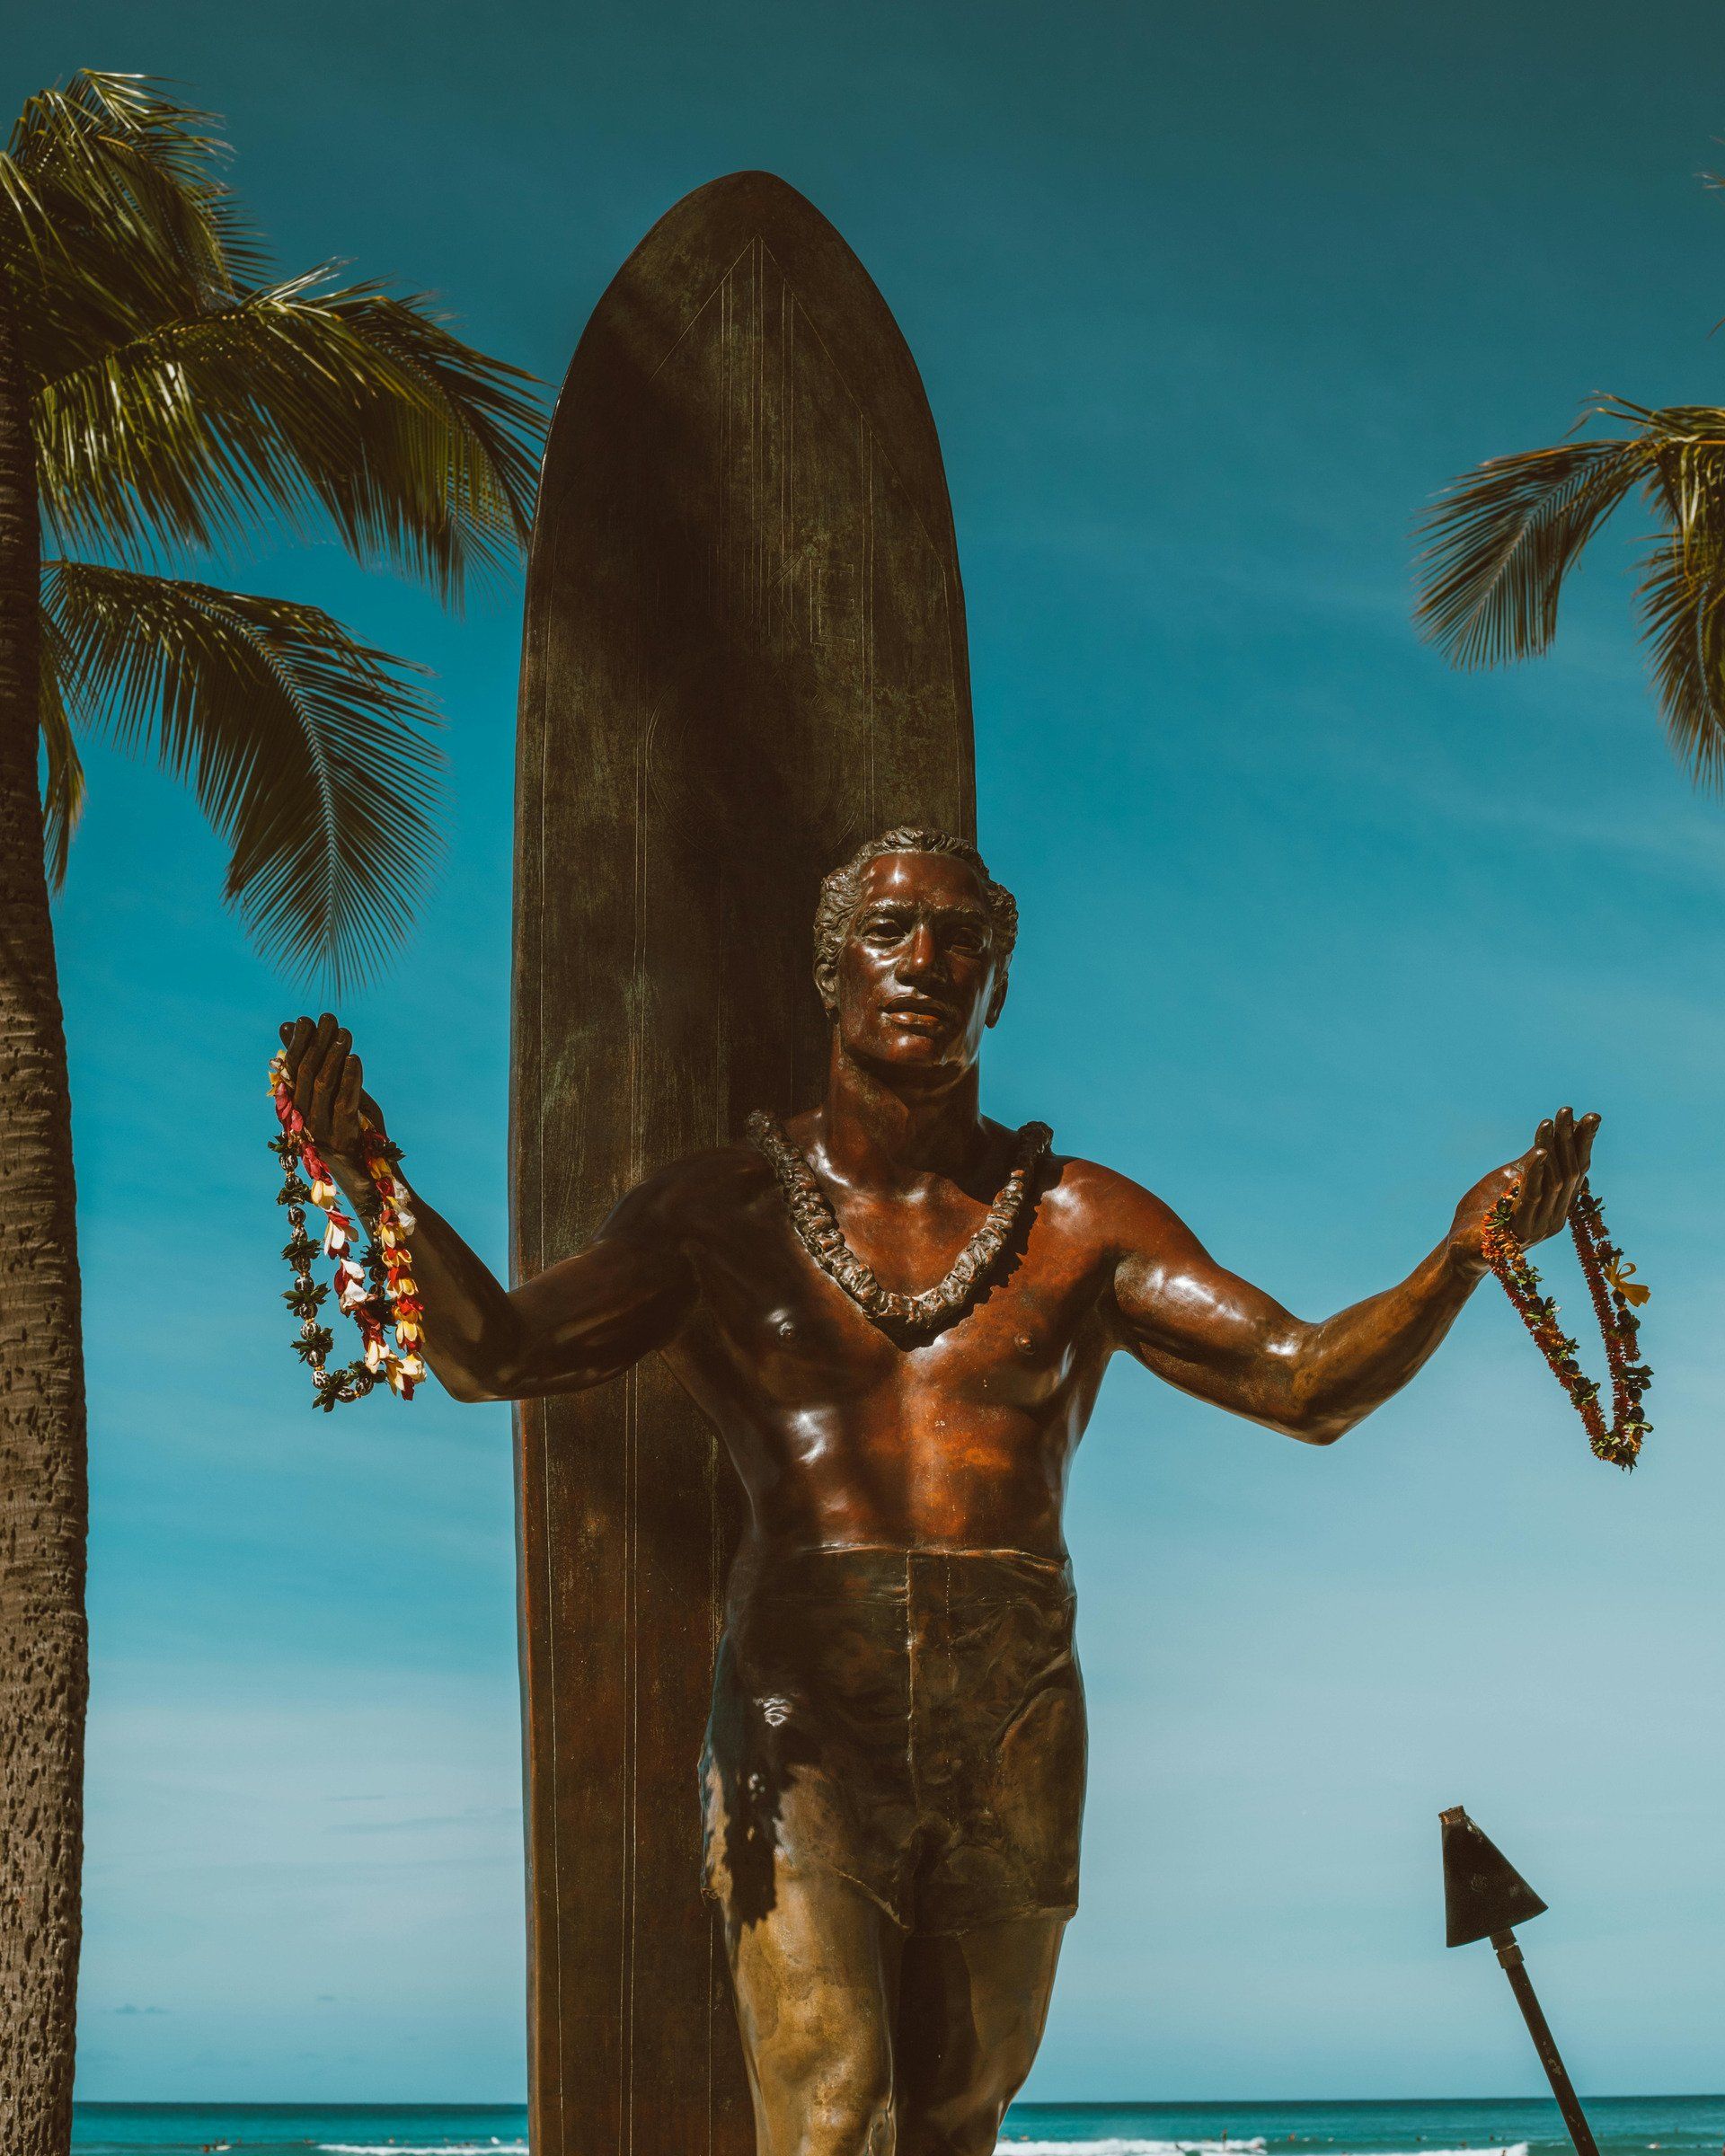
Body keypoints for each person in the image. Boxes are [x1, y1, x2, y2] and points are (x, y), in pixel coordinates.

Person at [279, 826, 1597, 2156]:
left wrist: (1460, 1251)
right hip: (803, 1702)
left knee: (959, 2119)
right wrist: (368, 1173)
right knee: (833, 2112)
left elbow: (1304, 1381)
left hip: (1017, 1707)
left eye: (963, 940)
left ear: (1000, 987)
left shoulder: (1084, 1220)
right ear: (830, 969)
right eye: (892, 930)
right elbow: (494, 1350)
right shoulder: (716, 1214)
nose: (927, 962)